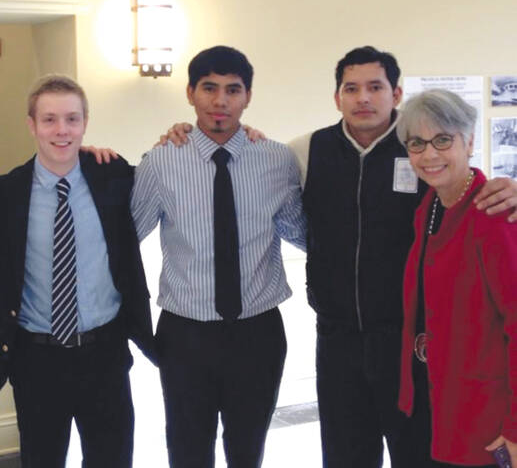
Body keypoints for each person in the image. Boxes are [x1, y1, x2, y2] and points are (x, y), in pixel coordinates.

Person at [163, 46, 517, 468]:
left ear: (396, 93)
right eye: (351, 88)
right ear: (337, 98)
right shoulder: (306, 151)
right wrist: (189, 132)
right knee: (346, 457)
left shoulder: (419, 150)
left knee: (418, 454)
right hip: (337, 341)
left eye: (375, 87)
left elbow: (467, 190)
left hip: (407, 344)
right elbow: (249, 154)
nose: (363, 98)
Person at [130, 45, 306, 467]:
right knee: (188, 452)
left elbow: (302, 233)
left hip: (258, 334)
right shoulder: (161, 161)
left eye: (233, 89)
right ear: (190, 93)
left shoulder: (277, 159)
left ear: (248, 96)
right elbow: (124, 239)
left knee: (248, 451)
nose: (220, 101)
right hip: (187, 334)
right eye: (209, 88)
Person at [0, 75, 154, 468]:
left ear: (85, 123)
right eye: (49, 120)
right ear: (31, 125)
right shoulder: (7, 194)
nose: (62, 130)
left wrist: (182, 132)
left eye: (72, 119)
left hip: (105, 355)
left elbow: (168, 174)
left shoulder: (113, 176)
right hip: (36, 361)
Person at [397, 89, 517, 468]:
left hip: (483, 418)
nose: (429, 154)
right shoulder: (428, 208)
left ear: (468, 142)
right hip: (434, 401)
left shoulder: (493, 214)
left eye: (443, 140)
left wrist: (515, 429)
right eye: (417, 143)